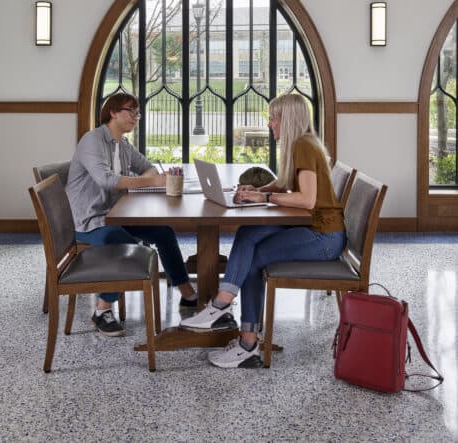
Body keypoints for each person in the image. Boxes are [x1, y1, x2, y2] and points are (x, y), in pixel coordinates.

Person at [180, 94, 345, 368]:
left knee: (254, 259)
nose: (270, 124)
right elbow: (284, 185)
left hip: (323, 237)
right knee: (247, 233)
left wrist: (263, 200)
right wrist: (258, 191)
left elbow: (307, 200)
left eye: (274, 118)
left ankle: (243, 338)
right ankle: (225, 310)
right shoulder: (300, 144)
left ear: (288, 119)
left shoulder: (304, 146)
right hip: (314, 227)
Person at [66, 92, 197, 337]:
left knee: (164, 232)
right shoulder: (92, 140)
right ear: (113, 112)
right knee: (120, 240)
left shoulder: (123, 144)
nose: (136, 117)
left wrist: (150, 177)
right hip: (90, 220)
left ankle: (188, 294)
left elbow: (146, 166)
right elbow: (106, 181)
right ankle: (102, 310)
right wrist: (152, 181)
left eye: (138, 113)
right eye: (131, 111)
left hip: (117, 214)